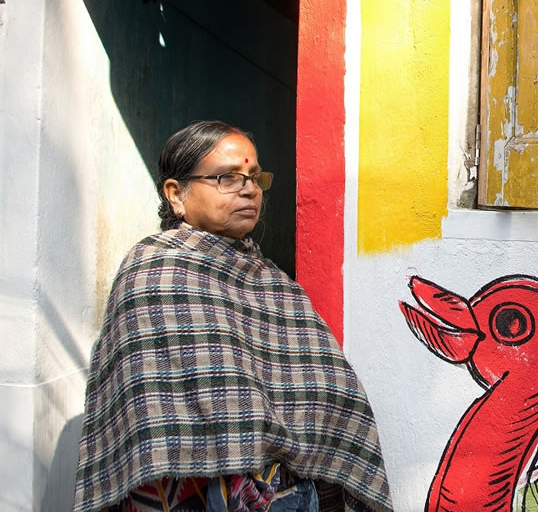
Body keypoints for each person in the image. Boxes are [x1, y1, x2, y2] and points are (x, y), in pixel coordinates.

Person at [74, 121, 392, 512]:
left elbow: (329, 386)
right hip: (183, 497)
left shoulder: (274, 283)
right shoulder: (153, 271)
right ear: (176, 194)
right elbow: (147, 407)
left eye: (255, 178)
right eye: (228, 177)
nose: (249, 189)